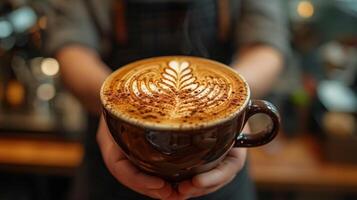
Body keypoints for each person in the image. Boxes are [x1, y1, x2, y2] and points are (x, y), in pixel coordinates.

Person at [46, 0, 289, 199]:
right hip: (113, 155)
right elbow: (71, 47)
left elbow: (266, 44)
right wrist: (113, 111)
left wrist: (231, 111)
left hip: (219, 162)